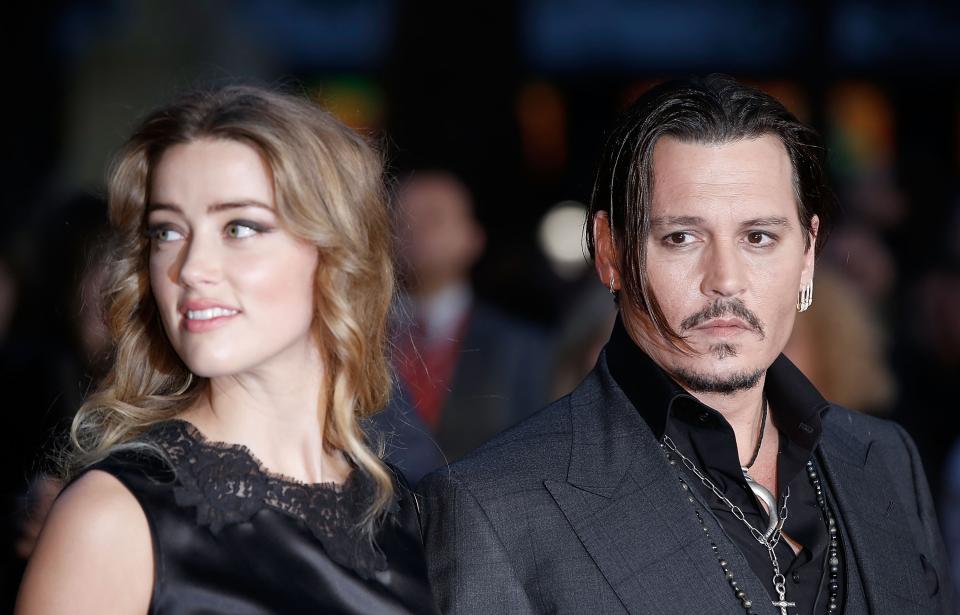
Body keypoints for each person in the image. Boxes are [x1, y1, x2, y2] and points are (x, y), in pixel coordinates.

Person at [419, 75, 952, 614]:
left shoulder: (885, 459)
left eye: (759, 237)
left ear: (808, 255)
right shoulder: (495, 506)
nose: (725, 279)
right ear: (610, 252)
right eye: (682, 237)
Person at [16, 85, 437, 614]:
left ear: (336, 250)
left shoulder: (410, 518)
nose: (191, 269)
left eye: (239, 227)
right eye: (167, 232)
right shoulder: (113, 517)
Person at [373, 171, 551, 484]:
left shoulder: (521, 347)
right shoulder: (358, 340)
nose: (415, 229)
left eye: (434, 218)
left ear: (473, 238)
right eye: (401, 219)